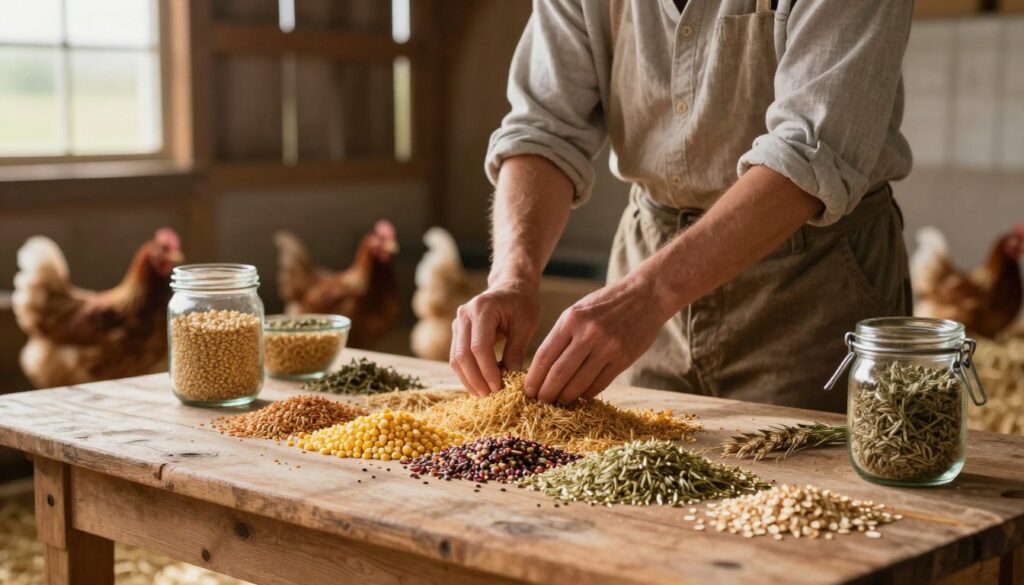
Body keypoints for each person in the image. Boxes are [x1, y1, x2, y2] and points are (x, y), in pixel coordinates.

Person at [451, 0, 915, 413]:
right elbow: (543, 128)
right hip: (647, 254)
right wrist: (513, 275)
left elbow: (809, 155)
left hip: (811, 283)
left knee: (805, 490)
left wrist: (647, 296)